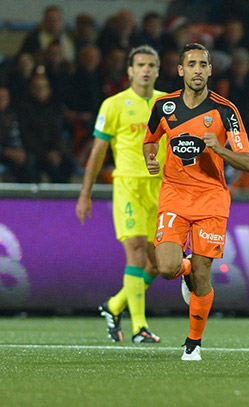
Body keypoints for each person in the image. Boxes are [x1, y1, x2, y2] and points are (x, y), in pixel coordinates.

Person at [143, 43, 249, 361]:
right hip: (174, 196)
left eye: (202, 64)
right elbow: (150, 141)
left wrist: (220, 149)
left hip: (211, 199)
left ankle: (193, 344)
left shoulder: (225, 111)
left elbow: (247, 162)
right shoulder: (164, 107)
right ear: (180, 70)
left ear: (209, 70)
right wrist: (151, 159)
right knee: (165, 267)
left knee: (204, 276)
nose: (197, 70)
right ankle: (185, 269)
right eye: (191, 64)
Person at [76, 45, 166, 344]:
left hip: (161, 188)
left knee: (158, 264)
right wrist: (85, 194)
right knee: (137, 252)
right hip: (128, 185)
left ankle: (114, 306)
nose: (146, 70)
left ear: (158, 69)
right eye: (140, 64)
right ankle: (140, 326)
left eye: (151, 65)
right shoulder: (113, 105)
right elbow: (98, 152)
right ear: (129, 70)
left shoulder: (168, 104)